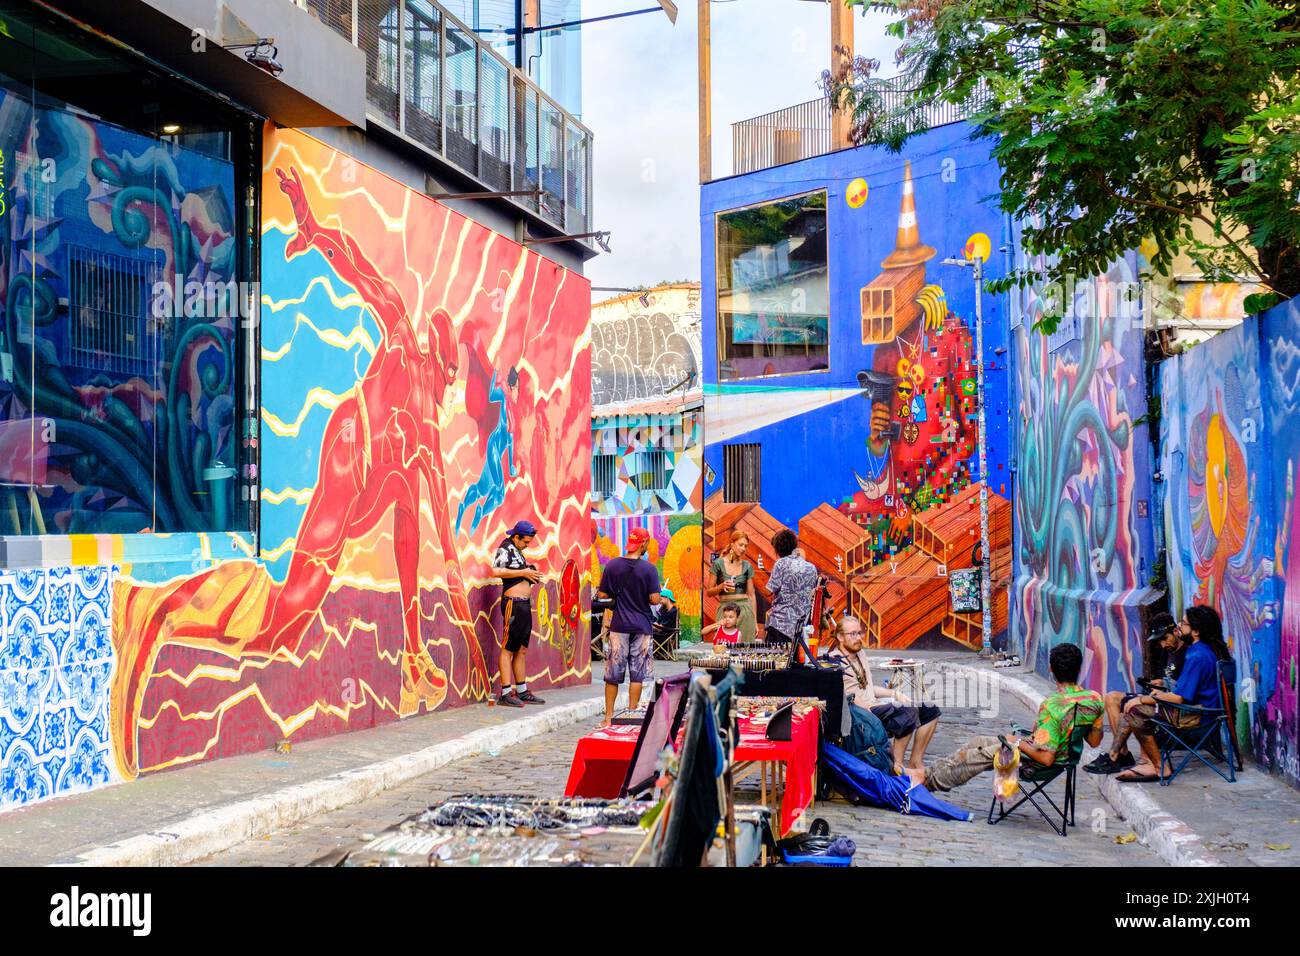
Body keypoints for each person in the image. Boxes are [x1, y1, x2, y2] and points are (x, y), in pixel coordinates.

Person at [915, 643, 1104, 792]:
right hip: (1065, 756)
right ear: (1079, 669)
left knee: (979, 755)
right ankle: (928, 773)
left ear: (1051, 670)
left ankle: (927, 780)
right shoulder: (1094, 699)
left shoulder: (1052, 705)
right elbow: (1094, 742)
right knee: (978, 741)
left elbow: (1046, 758)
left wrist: (1018, 742)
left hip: (1040, 763)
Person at [1114, 604, 1229, 783]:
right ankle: (1129, 758)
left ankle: (1158, 766)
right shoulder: (1204, 651)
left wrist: (1143, 699)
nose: (1180, 627)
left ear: (1196, 631)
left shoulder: (1197, 656)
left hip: (1196, 714)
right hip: (1198, 709)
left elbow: (1179, 697)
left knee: (1134, 711)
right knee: (1135, 705)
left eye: (1184, 624)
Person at [827, 616, 942, 774]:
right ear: (840, 637)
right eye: (852, 634)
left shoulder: (860, 654)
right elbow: (845, 697)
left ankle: (916, 762)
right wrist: (873, 705)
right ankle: (895, 765)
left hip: (874, 705)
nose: (858, 638)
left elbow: (867, 687)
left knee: (930, 710)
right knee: (908, 712)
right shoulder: (834, 661)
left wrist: (894, 693)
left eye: (859, 633)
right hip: (860, 714)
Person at [1085, 612, 1186, 774]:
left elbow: (1181, 692)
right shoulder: (1166, 652)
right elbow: (1168, 681)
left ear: (1175, 632)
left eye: (1164, 638)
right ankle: (1123, 753)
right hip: (1161, 697)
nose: (1162, 644)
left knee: (1134, 707)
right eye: (1159, 641)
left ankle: (1117, 756)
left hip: (1171, 704)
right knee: (1111, 697)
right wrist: (1159, 683)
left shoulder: (1188, 654)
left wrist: (1154, 693)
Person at [597, 526, 662, 725]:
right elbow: (655, 599)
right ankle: (630, 716)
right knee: (637, 675)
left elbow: (602, 595)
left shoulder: (613, 565)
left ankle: (608, 718)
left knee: (612, 674)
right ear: (643, 544)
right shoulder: (649, 569)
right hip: (642, 627)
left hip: (619, 625)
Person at [491, 520, 545, 707]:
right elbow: (497, 570)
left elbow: (518, 571)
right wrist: (524, 572)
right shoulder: (505, 548)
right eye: (526, 542)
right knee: (508, 648)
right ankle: (506, 692)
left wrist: (531, 571)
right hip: (512, 604)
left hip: (523, 605)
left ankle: (521, 690)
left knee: (521, 649)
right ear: (516, 536)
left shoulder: (519, 552)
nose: (527, 545)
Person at [763, 530, 820, 645]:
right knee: (797, 662)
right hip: (801, 627)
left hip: (781, 625)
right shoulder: (811, 568)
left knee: (778, 661)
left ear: (777, 549)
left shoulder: (781, 564)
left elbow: (768, 591)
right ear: (795, 545)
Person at [707, 531, 757, 641]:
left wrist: (755, 622)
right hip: (725, 611)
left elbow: (752, 595)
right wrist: (721, 586)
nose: (743, 548)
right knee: (723, 651)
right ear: (732, 544)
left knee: (746, 651)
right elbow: (709, 592)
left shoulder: (747, 566)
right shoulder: (718, 564)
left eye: (745, 546)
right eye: (740, 545)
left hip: (745, 610)